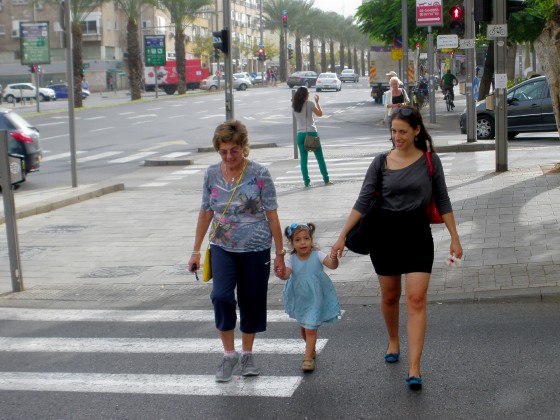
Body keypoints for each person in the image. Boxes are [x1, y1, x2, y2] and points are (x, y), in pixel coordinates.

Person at [331, 106, 463, 391]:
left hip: (417, 235)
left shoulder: (430, 161)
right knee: (390, 297)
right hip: (385, 235)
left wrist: (455, 237)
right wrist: (342, 236)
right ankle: (393, 340)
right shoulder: (381, 163)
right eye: (393, 131)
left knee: (416, 300)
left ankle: (415, 367)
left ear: (416, 131)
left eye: (403, 131)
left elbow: (443, 199)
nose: (397, 137)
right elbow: (363, 201)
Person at [188, 120, 286, 383]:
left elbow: (273, 215)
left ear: (244, 147)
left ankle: (247, 354)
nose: (229, 157)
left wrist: (279, 253)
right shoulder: (211, 174)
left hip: (255, 247)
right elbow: (206, 211)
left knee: (251, 300)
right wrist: (195, 250)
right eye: (223, 152)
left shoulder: (260, 173)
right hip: (222, 246)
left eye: (234, 150)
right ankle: (229, 354)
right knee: (221, 297)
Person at [276, 222, 340, 372]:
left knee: (311, 328)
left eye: (306, 238)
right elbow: (286, 275)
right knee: (305, 326)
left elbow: (332, 265)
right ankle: (310, 349)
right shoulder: (290, 259)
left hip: (316, 297)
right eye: (298, 240)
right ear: (292, 243)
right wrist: (281, 273)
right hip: (300, 298)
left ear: (311, 240)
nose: (303, 242)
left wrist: (334, 258)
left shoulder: (317, 255)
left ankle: (307, 358)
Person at [292, 86, 332, 187]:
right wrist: (317, 102)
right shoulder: (310, 104)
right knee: (320, 158)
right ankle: (326, 179)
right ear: (306, 95)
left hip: (300, 135)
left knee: (303, 160)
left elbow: (294, 102)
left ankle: (306, 182)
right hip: (311, 134)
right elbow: (320, 114)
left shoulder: (294, 105)